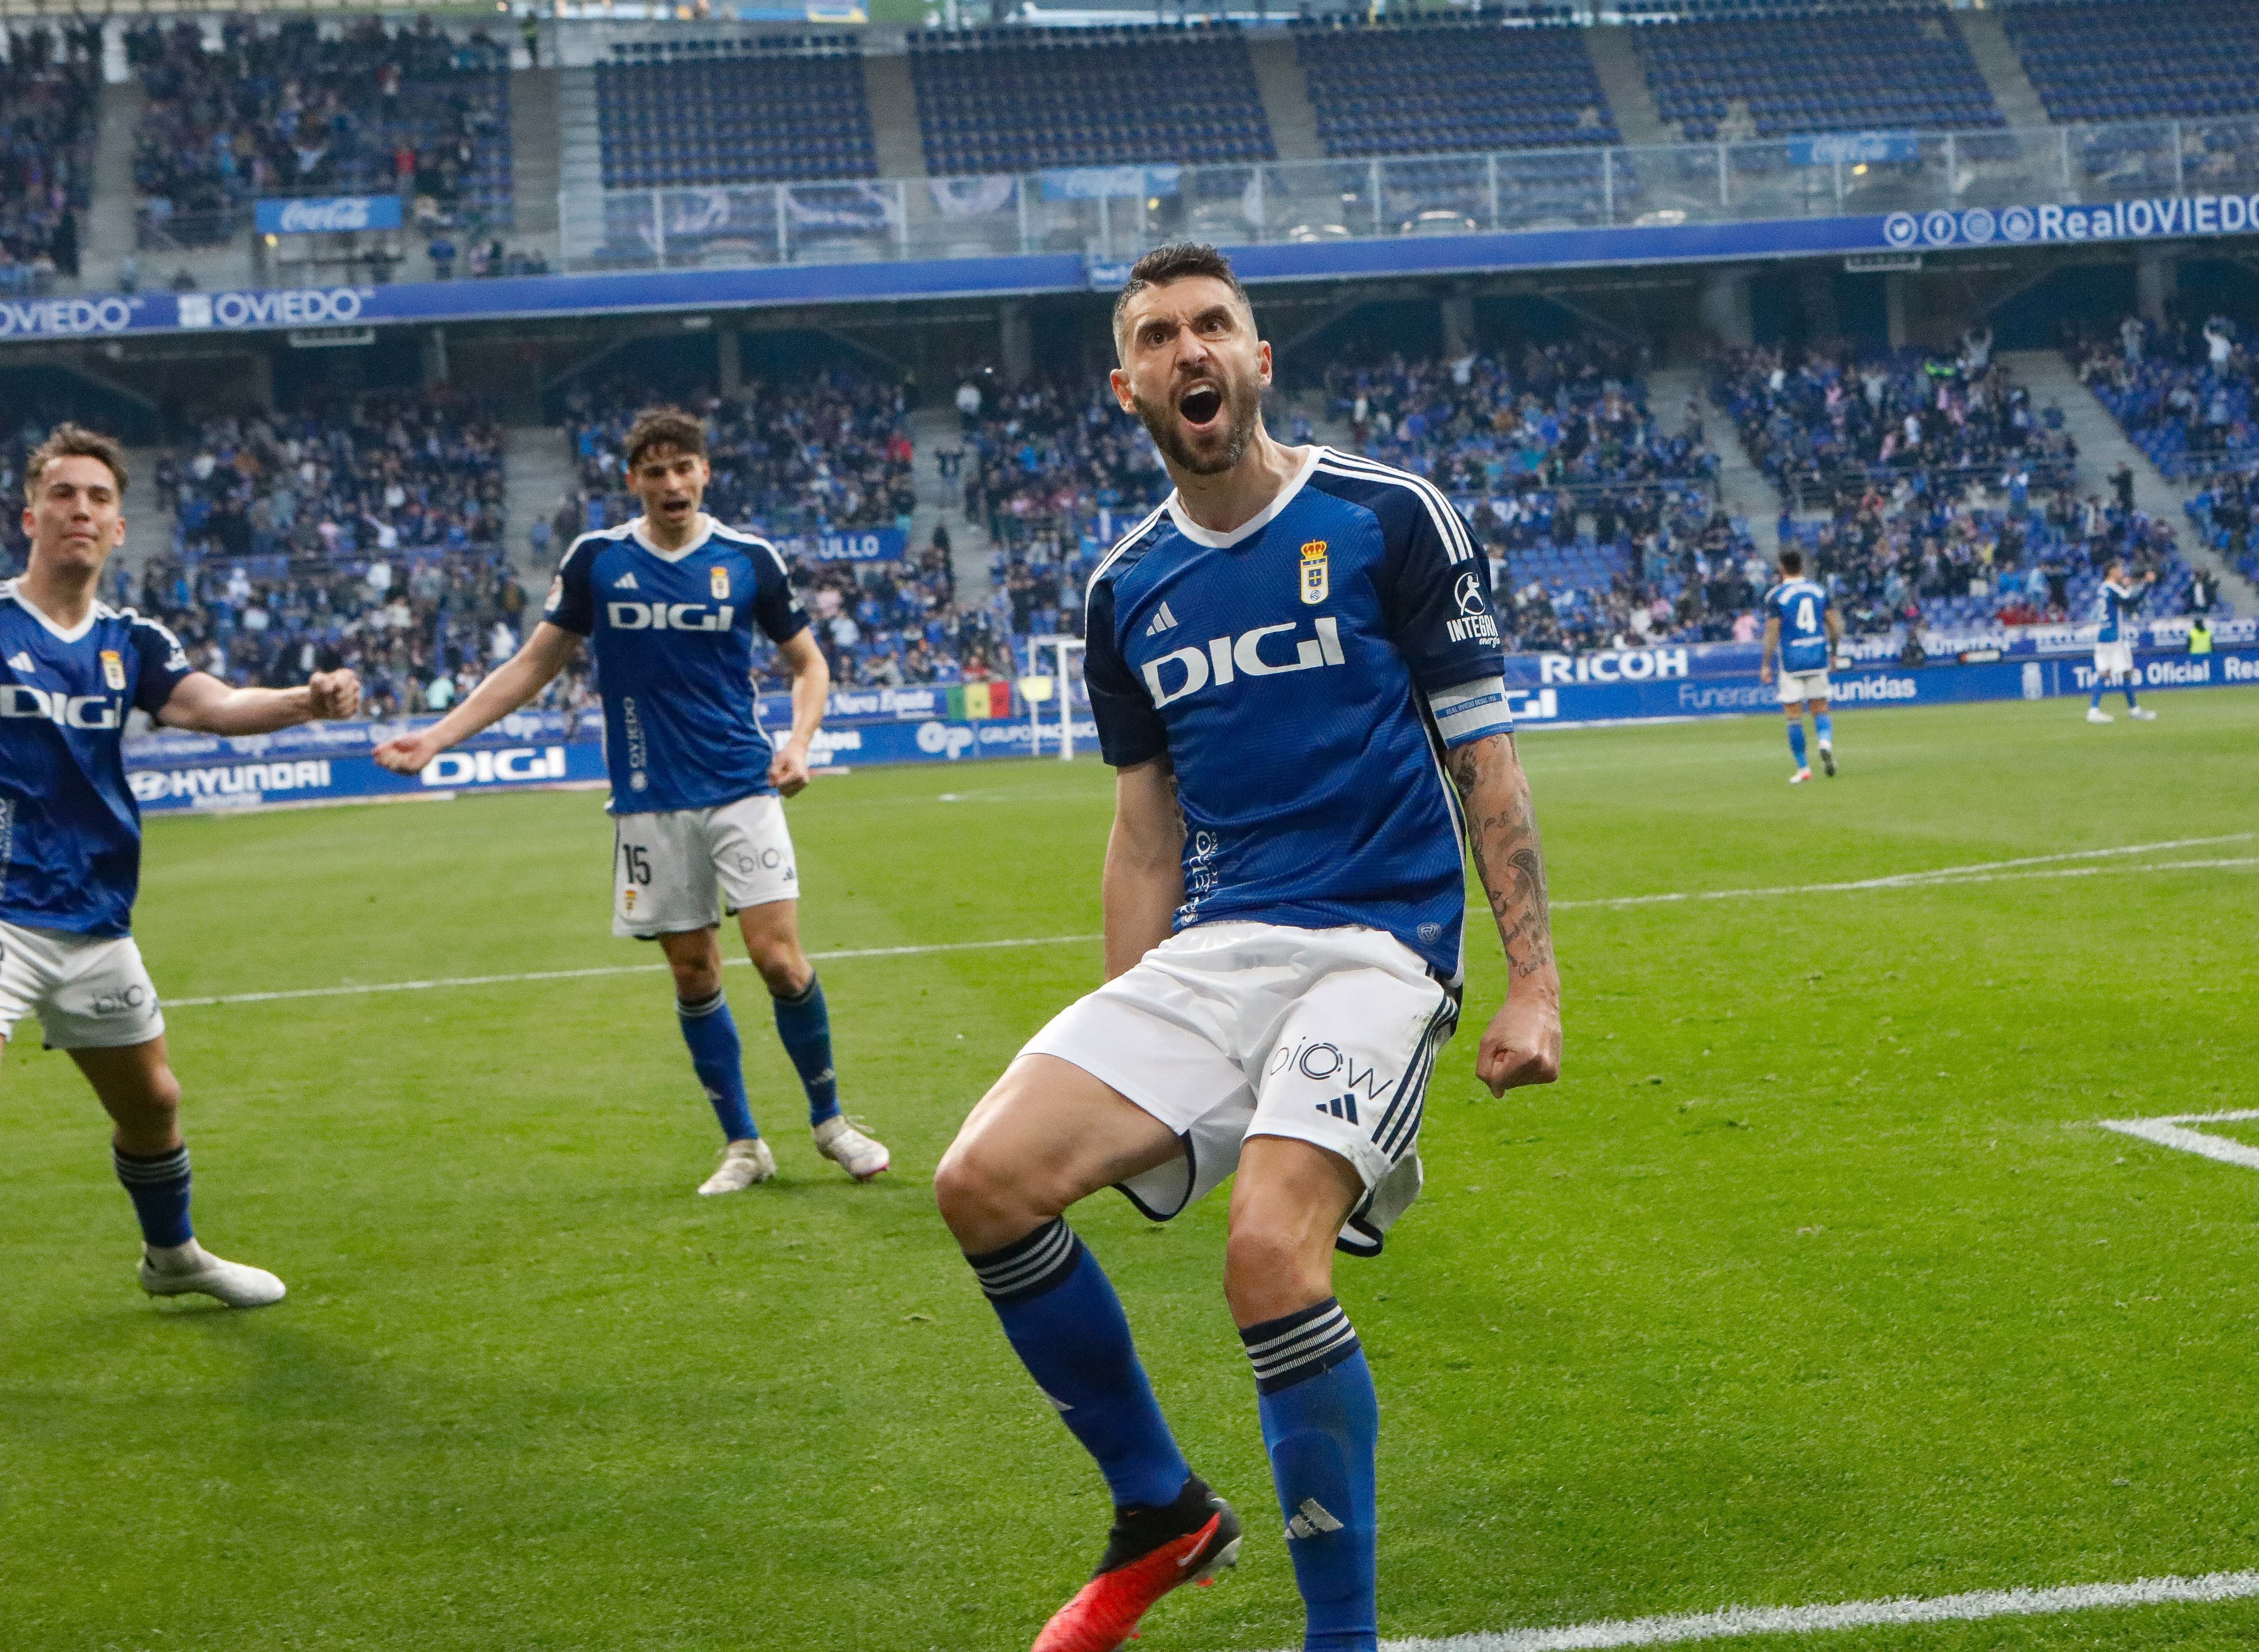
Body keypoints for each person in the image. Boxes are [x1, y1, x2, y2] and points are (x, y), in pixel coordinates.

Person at [931, 242, 1561, 1652]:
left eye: (1215, 324)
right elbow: (1144, 834)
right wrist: (1127, 1040)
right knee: (981, 1183)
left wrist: (1534, 984)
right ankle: (1162, 1509)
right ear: (1126, 385)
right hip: (1215, 952)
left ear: (1259, 358)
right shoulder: (1126, 589)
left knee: (1271, 1256)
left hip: (1379, 950)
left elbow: (1487, 762)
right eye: (1159, 335)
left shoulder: (1390, 516)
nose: (1191, 350)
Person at [373, 407, 890, 1194]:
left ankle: (832, 1125)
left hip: (740, 784)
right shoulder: (598, 560)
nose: (672, 483)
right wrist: (438, 738)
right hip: (648, 798)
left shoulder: (748, 559)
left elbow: (809, 665)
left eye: (685, 468)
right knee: (693, 973)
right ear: (633, 482)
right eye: (656, 471)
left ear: (705, 473)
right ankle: (744, 1145)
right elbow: (533, 664)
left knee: (778, 959)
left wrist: (799, 743)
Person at [0, 424, 363, 1306]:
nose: (80, 510)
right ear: (30, 514)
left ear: (119, 528)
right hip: (4, 907)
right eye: (63, 494)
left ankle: (174, 1258)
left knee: (153, 1103)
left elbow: (211, 706)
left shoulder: (133, 638)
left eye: (98, 499)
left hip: (91, 914)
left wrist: (301, 702)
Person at [1759, 546, 1839, 783]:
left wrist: (1766, 664)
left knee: (1794, 716)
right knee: (1821, 708)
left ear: (1782, 568)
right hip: (1817, 656)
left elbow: (1772, 633)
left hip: (1792, 661)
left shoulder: (1776, 596)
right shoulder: (1819, 591)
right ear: (1802, 567)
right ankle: (1824, 742)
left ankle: (1804, 768)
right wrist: (1834, 654)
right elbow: (1834, 626)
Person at [2085, 559, 2154, 723]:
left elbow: (2118, 599)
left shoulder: (2103, 588)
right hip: (2116, 638)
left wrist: (2127, 586)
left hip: (2102, 636)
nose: (2122, 571)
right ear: (2112, 571)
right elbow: (2132, 601)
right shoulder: (2112, 588)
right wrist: (2148, 585)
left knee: (2104, 674)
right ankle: (2135, 711)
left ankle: (2093, 711)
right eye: (2119, 569)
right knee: (2127, 672)